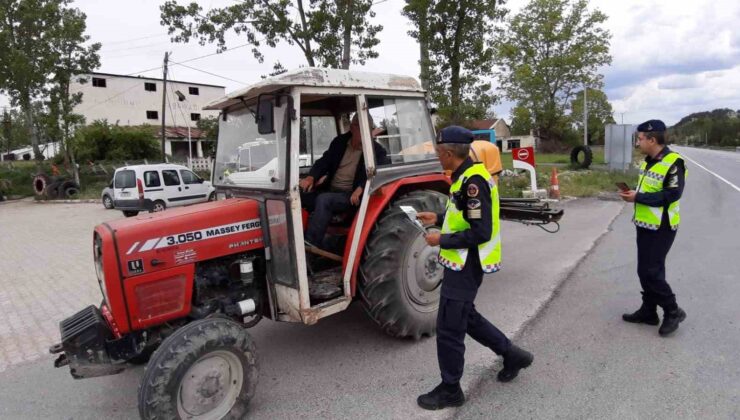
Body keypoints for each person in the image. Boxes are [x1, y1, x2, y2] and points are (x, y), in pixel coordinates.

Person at [415, 126, 533, 410]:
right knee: (466, 317)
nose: (436, 156)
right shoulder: (464, 177)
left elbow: (480, 231)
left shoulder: (473, 181)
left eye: (438, 152)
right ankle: (512, 354)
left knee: (449, 327)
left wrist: (440, 238)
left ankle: (451, 389)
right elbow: (463, 214)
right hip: (461, 261)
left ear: (447, 153)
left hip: (468, 263)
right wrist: (439, 216)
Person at [619, 119, 687, 336]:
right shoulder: (648, 161)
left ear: (652, 139)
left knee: (651, 272)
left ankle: (673, 310)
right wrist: (635, 195)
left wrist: (638, 197)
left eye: (640, 138)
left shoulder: (674, 162)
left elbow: (672, 194)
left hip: (662, 226)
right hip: (645, 224)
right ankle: (649, 311)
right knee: (646, 270)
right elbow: (648, 189)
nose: (637, 142)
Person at [299, 113, 388, 250]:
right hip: (330, 189)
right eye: (362, 128)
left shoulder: (377, 151)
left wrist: (361, 188)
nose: (367, 133)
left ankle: (309, 246)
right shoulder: (339, 142)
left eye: (369, 129)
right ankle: (295, 239)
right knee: (298, 196)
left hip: (351, 195)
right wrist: (311, 177)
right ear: (352, 128)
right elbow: (325, 161)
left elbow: (379, 172)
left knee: (324, 200)